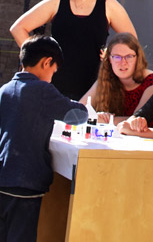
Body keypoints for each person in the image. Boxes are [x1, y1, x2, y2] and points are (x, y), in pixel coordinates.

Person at [10, 0, 136, 99]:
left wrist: (113, 53)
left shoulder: (109, 5)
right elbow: (18, 28)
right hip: (55, 86)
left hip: (94, 87)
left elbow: (132, 42)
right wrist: (38, 60)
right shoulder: (56, 3)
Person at [0, 35, 87, 242]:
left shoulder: (4, 90)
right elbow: (78, 115)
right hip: (26, 182)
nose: (52, 77)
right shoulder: (42, 90)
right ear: (46, 62)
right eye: (53, 71)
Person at [81, 32, 153, 123]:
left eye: (129, 56)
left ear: (138, 58)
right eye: (117, 57)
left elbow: (137, 120)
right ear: (109, 60)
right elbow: (79, 110)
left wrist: (104, 119)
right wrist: (97, 116)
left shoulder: (152, 81)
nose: (123, 62)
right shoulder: (106, 78)